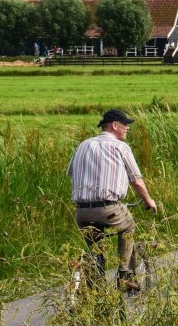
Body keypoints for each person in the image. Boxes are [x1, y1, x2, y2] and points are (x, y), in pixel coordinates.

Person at [67, 109, 157, 292]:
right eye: (125, 125)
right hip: (108, 209)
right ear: (115, 125)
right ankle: (124, 275)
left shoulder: (83, 145)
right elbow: (136, 180)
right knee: (129, 227)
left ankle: (94, 285)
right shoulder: (120, 147)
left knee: (95, 248)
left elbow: (71, 173)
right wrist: (148, 200)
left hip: (82, 211)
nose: (127, 129)